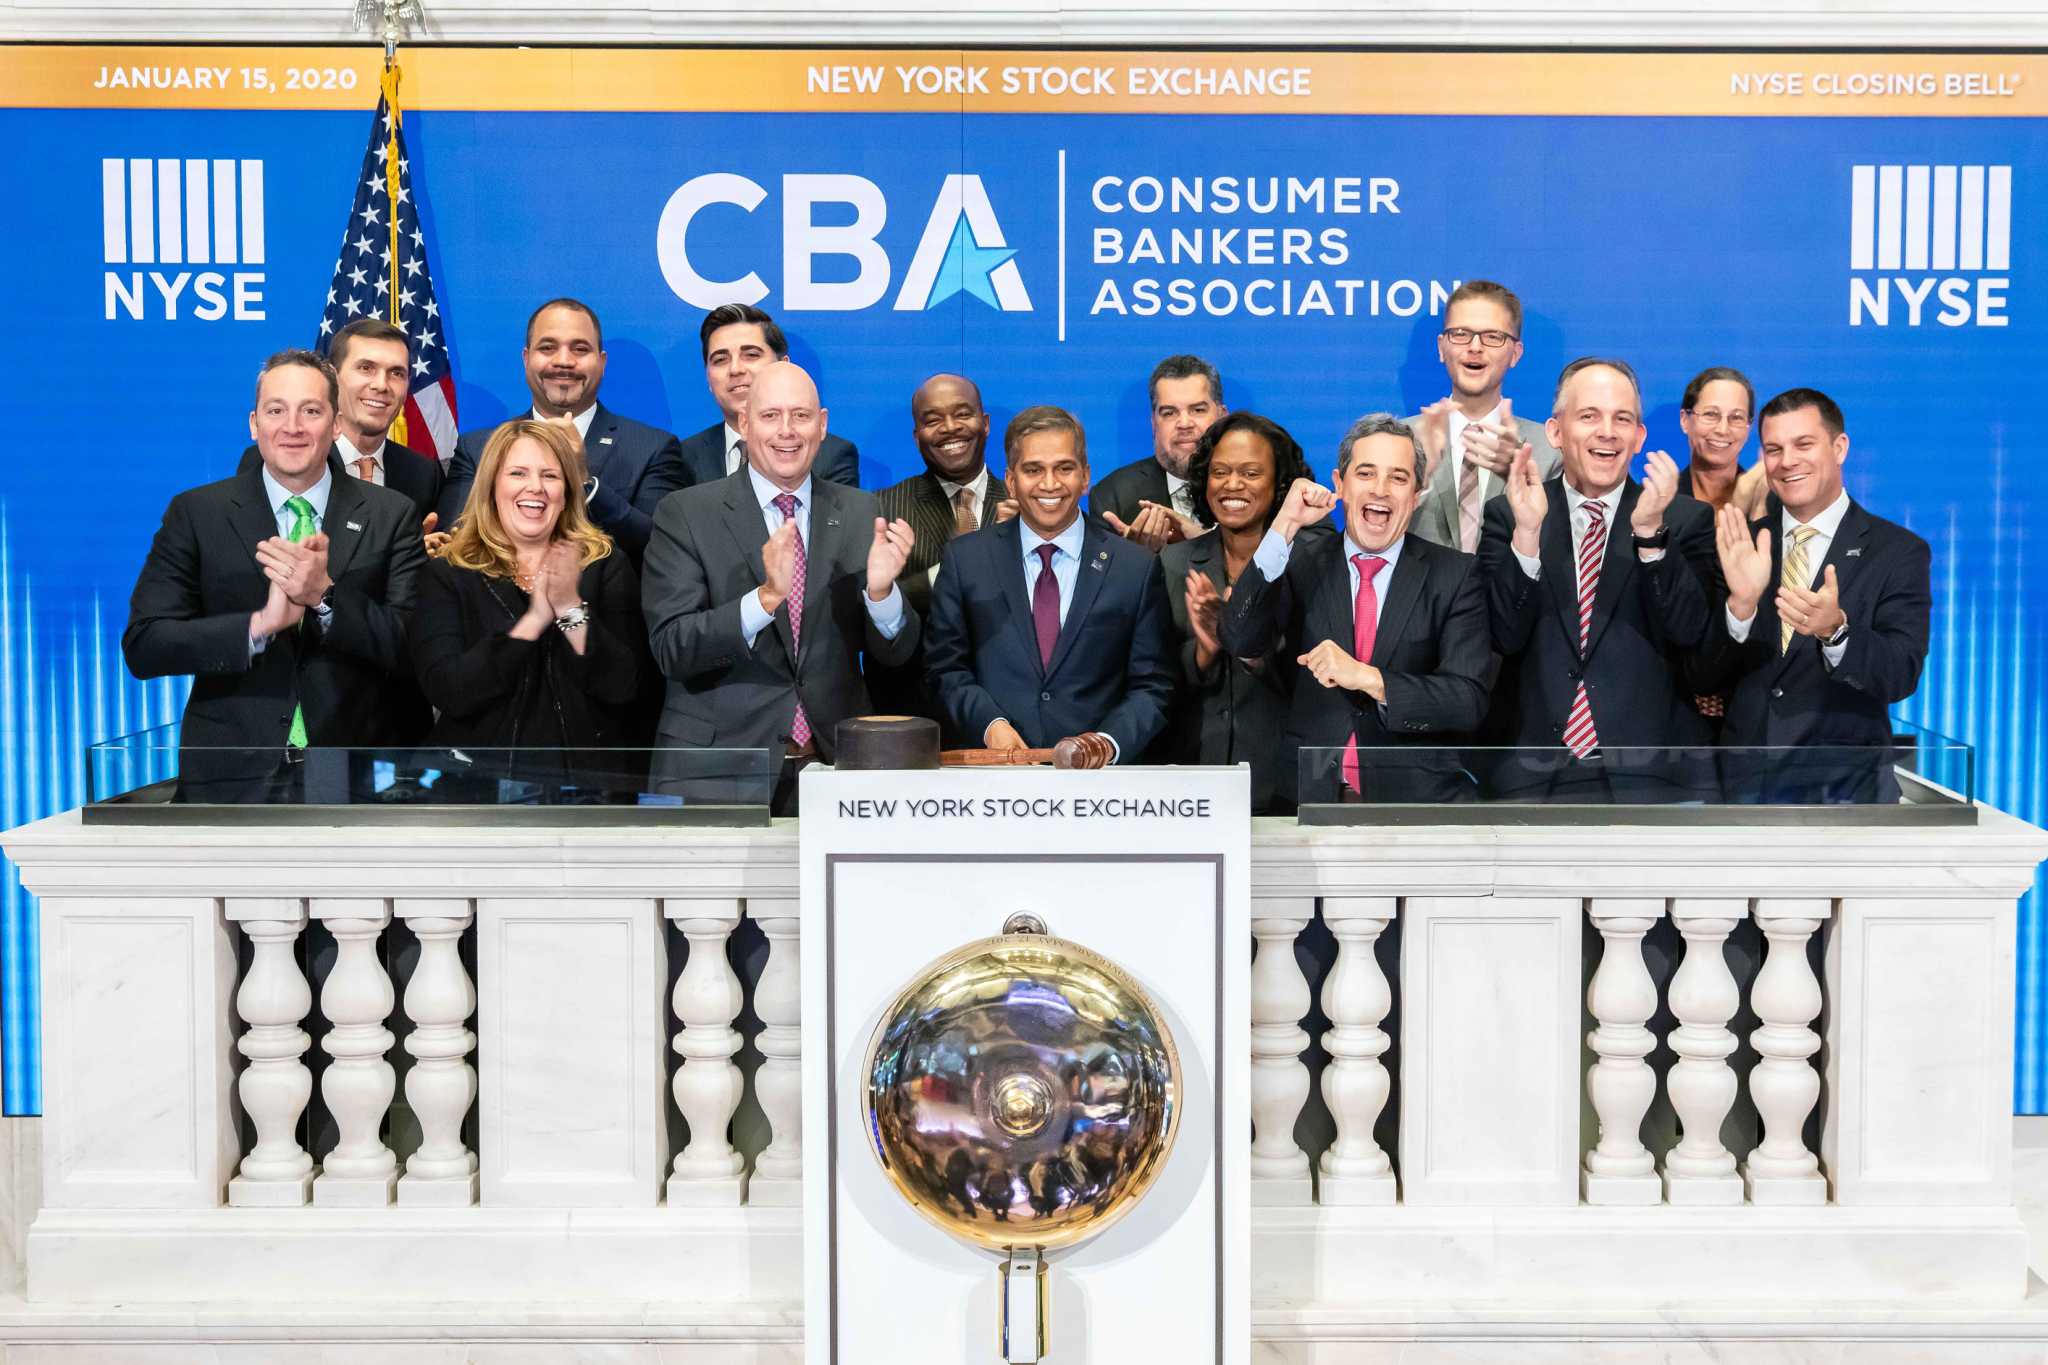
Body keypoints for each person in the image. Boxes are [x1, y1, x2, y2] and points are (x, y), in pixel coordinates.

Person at [123, 350, 426, 803]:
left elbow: (413, 648)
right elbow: (145, 645)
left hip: (352, 777)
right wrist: (258, 626)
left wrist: (324, 597)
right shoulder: (197, 513)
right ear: (254, 423)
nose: (292, 427)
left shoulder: (392, 514)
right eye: (276, 410)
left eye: (311, 411)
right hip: (230, 778)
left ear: (336, 424)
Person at [641, 361, 918, 813]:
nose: (786, 431)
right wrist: (765, 598)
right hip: (718, 771)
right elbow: (672, 647)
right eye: (770, 416)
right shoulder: (686, 513)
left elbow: (896, 654)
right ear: (745, 423)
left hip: (835, 771)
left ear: (822, 425)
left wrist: (882, 595)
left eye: (800, 415)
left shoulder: (860, 510)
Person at [1477, 357, 1721, 802]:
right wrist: (1527, 536)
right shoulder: (1510, 514)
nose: (1607, 432)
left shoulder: (1684, 520)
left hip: (1649, 778)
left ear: (1639, 437)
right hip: (1531, 775)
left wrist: (1651, 538)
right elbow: (1502, 637)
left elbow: (1690, 636)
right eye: (1589, 416)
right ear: (1555, 432)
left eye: (1622, 419)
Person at [1220, 414, 1491, 806]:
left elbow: (1467, 700)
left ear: (1416, 495)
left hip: (1413, 802)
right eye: (1365, 473)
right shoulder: (1300, 561)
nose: (1380, 489)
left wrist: (1368, 678)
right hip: (1307, 796)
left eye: (1398, 478)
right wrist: (1284, 525)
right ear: (1340, 484)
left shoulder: (1455, 575)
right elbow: (1239, 638)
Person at [1700, 388, 1931, 803]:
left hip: (1845, 794)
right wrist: (1741, 608)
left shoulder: (1897, 551)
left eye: (1803, 444)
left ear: (1839, 448)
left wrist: (1836, 632)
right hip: (1743, 791)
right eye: (1774, 449)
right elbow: (1705, 678)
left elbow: (1900, 674)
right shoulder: (1741, 545)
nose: (1787, 461)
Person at [925, 406, 1175, 768]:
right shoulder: (966, 560)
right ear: (1011, 481)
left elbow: (1153, 686)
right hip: (994, 777)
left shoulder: (1134, 567)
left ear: (1085, 477)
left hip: (1101, 785)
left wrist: (1104, 746)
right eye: (1033, 470)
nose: (1049, 484)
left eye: (1064, 468)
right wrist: (991, 727)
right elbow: (944, 670)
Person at [411, 420, 646, 799]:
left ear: (567, 490)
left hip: (586, 791)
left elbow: (623, 686)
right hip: (477, 791)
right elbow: (450, 690)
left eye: (550, 475)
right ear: (491, 485)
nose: (535, 487)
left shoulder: (605, 564)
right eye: (518, 473)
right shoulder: (448, 572)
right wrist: (531, 624)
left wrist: (570, 609)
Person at [436, 298, 687, 564]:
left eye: (580, 349)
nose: (564, 361)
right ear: (526, 358)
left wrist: (584, 481)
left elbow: (660, 550)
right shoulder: (477, 448)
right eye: (548, 348)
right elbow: (456, 544)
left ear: (602, 362)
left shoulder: (653, 448)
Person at [1156, 412, 1312, 812]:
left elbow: (1318, 686)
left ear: (1279, 484)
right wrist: (1204, 651)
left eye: (1250, 473)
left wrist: (1252, 652)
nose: (1232, 485)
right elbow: (1153, 680)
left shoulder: (1312, 563)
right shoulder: (1174, 563)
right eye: (1220, 472)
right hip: (1189, 786)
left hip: (1284, 788)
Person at [869, 374, 1016, 717]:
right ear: (916, 436)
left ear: (985, 424)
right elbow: (872, 616)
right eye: (933, 420)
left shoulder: (1026, 507)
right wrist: (954, 567)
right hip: (917, 713)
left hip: (1012, 713)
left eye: (962, 414)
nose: (950, 428)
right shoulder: (882, 509)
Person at [237, 318, 443, 530]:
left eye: (397, 373)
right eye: (366, 368)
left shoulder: (423, 474)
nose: (382, 385)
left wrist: (418, 548)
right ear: (333, 377)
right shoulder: (273, 458)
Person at [1405, 280, 1560, 554]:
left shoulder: (1549, 452)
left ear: (1515, 353)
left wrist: (1517, 480)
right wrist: (1421, 476)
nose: (1475, 347)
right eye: (1461, 334)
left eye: (1493, 336)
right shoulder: (1399, 441)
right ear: (1441, 347)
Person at [678, 303, 860, 488]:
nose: (735, 369)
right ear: (708, 377)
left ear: (784, 365)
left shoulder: (832, 455)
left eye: (751, 355)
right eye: (720, 360)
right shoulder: (683, 458)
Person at [1089, 354, 1227, 551]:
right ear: (1154, 423)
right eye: (1169, 413)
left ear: (1222, 417)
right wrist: (1132, 558)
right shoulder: (1112, 497)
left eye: (1197, 410)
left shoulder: (1255, 489)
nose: (1184, 424)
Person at [1675, 366, 1771, 518]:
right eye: (1711, 414)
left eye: (1736, 417)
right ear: (1685, 420)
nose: (1723, 430)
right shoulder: (1657, 502)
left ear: (1749, 428)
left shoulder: (1769, 503)